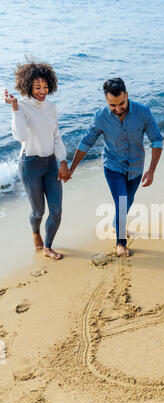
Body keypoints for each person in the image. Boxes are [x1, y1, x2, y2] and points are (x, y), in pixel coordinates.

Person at [67, 77, 163, 257]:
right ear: (106, 101)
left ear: (127, 95)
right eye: (112, 105)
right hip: (113, 166)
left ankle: (116, 224)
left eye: (122, 103)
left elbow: (156, 140)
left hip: (136, 166)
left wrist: (151, 171)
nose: (118, 109)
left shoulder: (143, 112)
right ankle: (121, 242)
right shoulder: (100, 117)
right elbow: (86, 142)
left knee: (128, 202)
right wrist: (72, 168)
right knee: (122, 202)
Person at [4, 62, 71, 260]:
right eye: (37, 87)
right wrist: (15, 108)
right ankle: (35, 233)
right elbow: (21, 136)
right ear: (28, 87)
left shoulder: (51, 107)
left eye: (45, 87)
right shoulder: (21, 105)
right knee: (38, 212)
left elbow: (56, 137)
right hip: (30, 166)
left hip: (50, 164)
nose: (43, 91)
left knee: (57, 210)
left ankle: (48, 246)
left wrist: (63, 162)